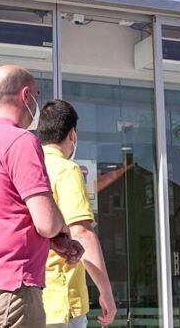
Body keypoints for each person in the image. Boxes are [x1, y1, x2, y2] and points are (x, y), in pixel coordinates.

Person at [0, 65, 84, 327]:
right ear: (26, 95)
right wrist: (60, 228)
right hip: (12, 285)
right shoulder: (20, 141)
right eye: (36, 94)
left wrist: (54, 242)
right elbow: (46, 221)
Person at [37, 100, 117, 328]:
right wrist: (106, 292)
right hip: (61, 299)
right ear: (72, 134)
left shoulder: (28, 168)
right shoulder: (66, 170)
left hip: (31, 298)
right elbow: (81, 233)